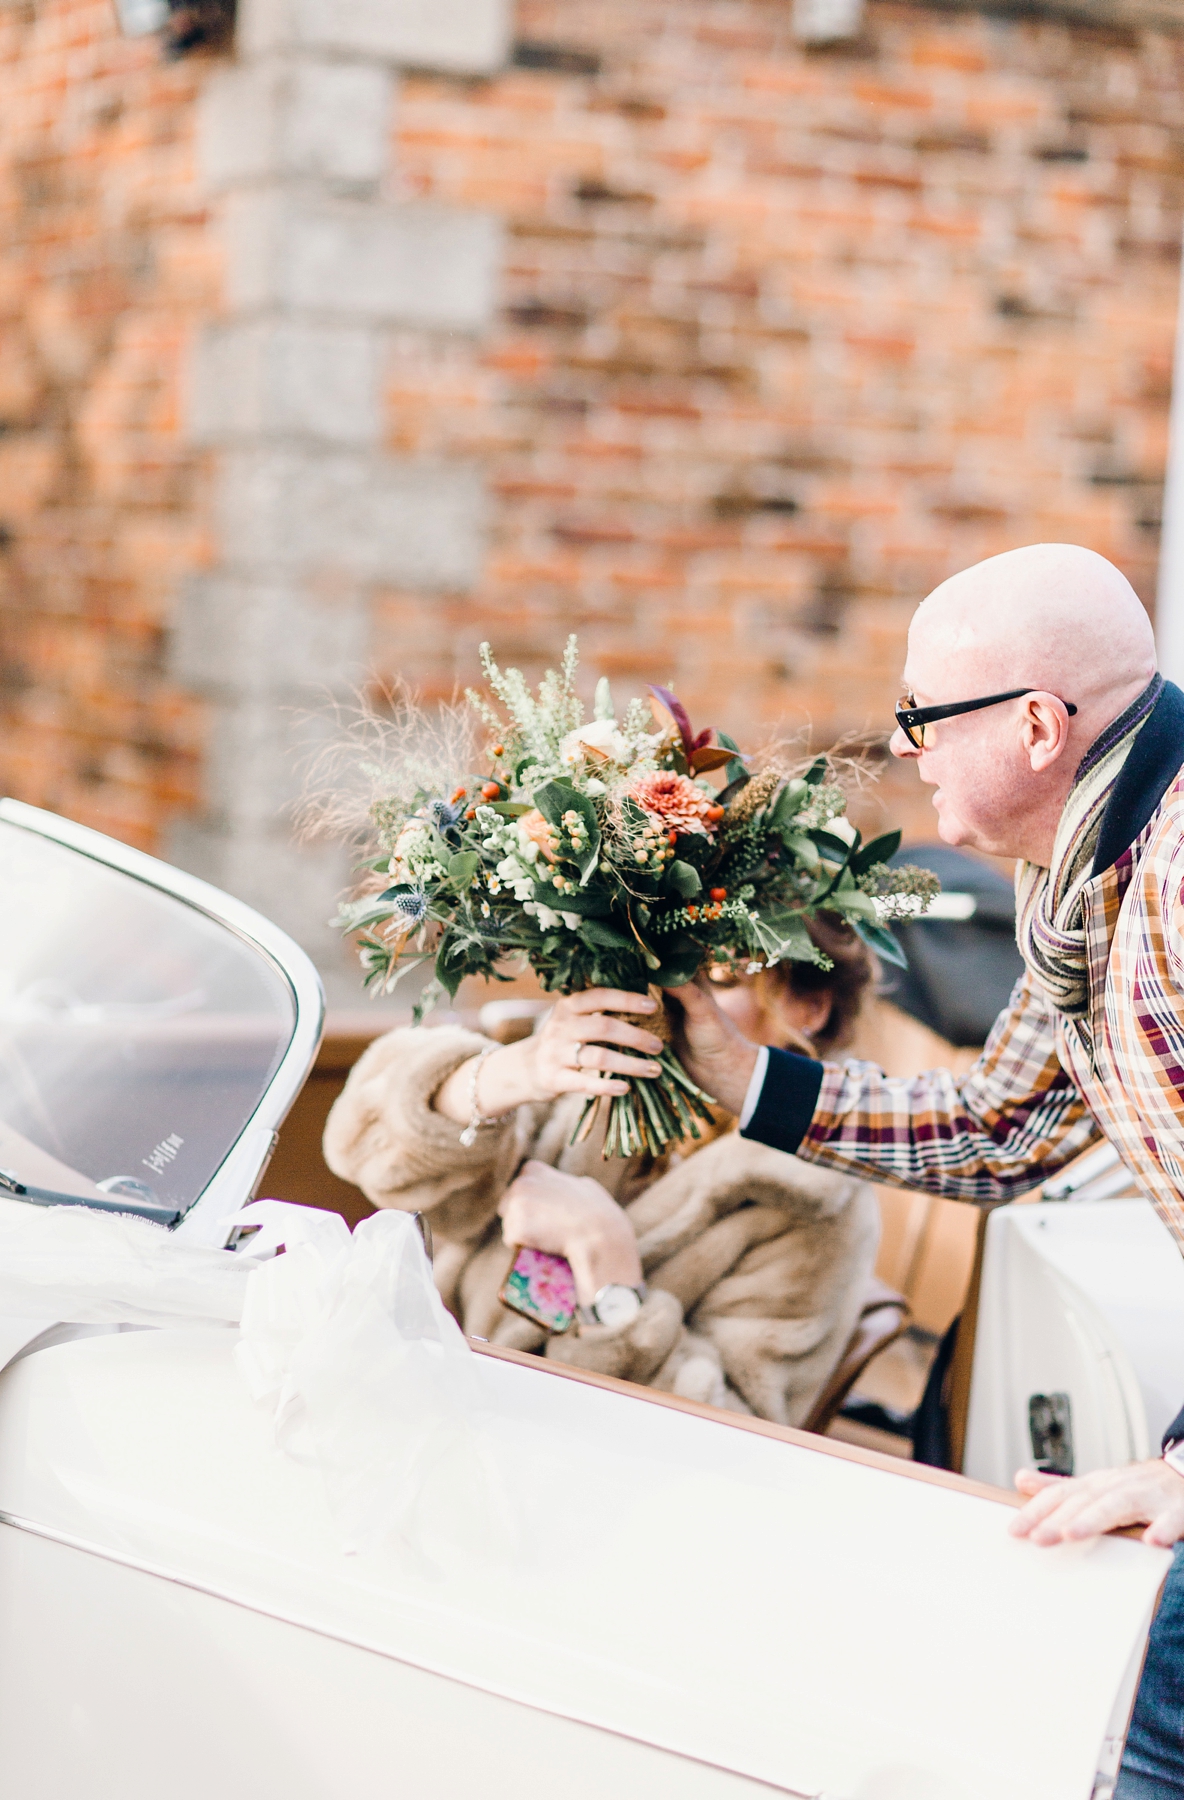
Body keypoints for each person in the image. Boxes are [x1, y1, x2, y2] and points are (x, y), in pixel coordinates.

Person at [669, 542, 1184, 1800]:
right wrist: (745, 1080)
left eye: (920, 717)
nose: (905, 749)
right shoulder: (1079, 889)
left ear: (1038, 725)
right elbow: (998, 1129)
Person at [322, 918, 878, 1424]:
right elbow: (364, 1150)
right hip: (422, 1390)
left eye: (719, 978)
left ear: (809, 1007)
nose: (681, 1001)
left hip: (564, 1468)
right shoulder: (601, 1079)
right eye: (661, 971)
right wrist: (520, 1071)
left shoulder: (815, 1200)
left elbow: (726, 1436)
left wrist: (606, 1264)